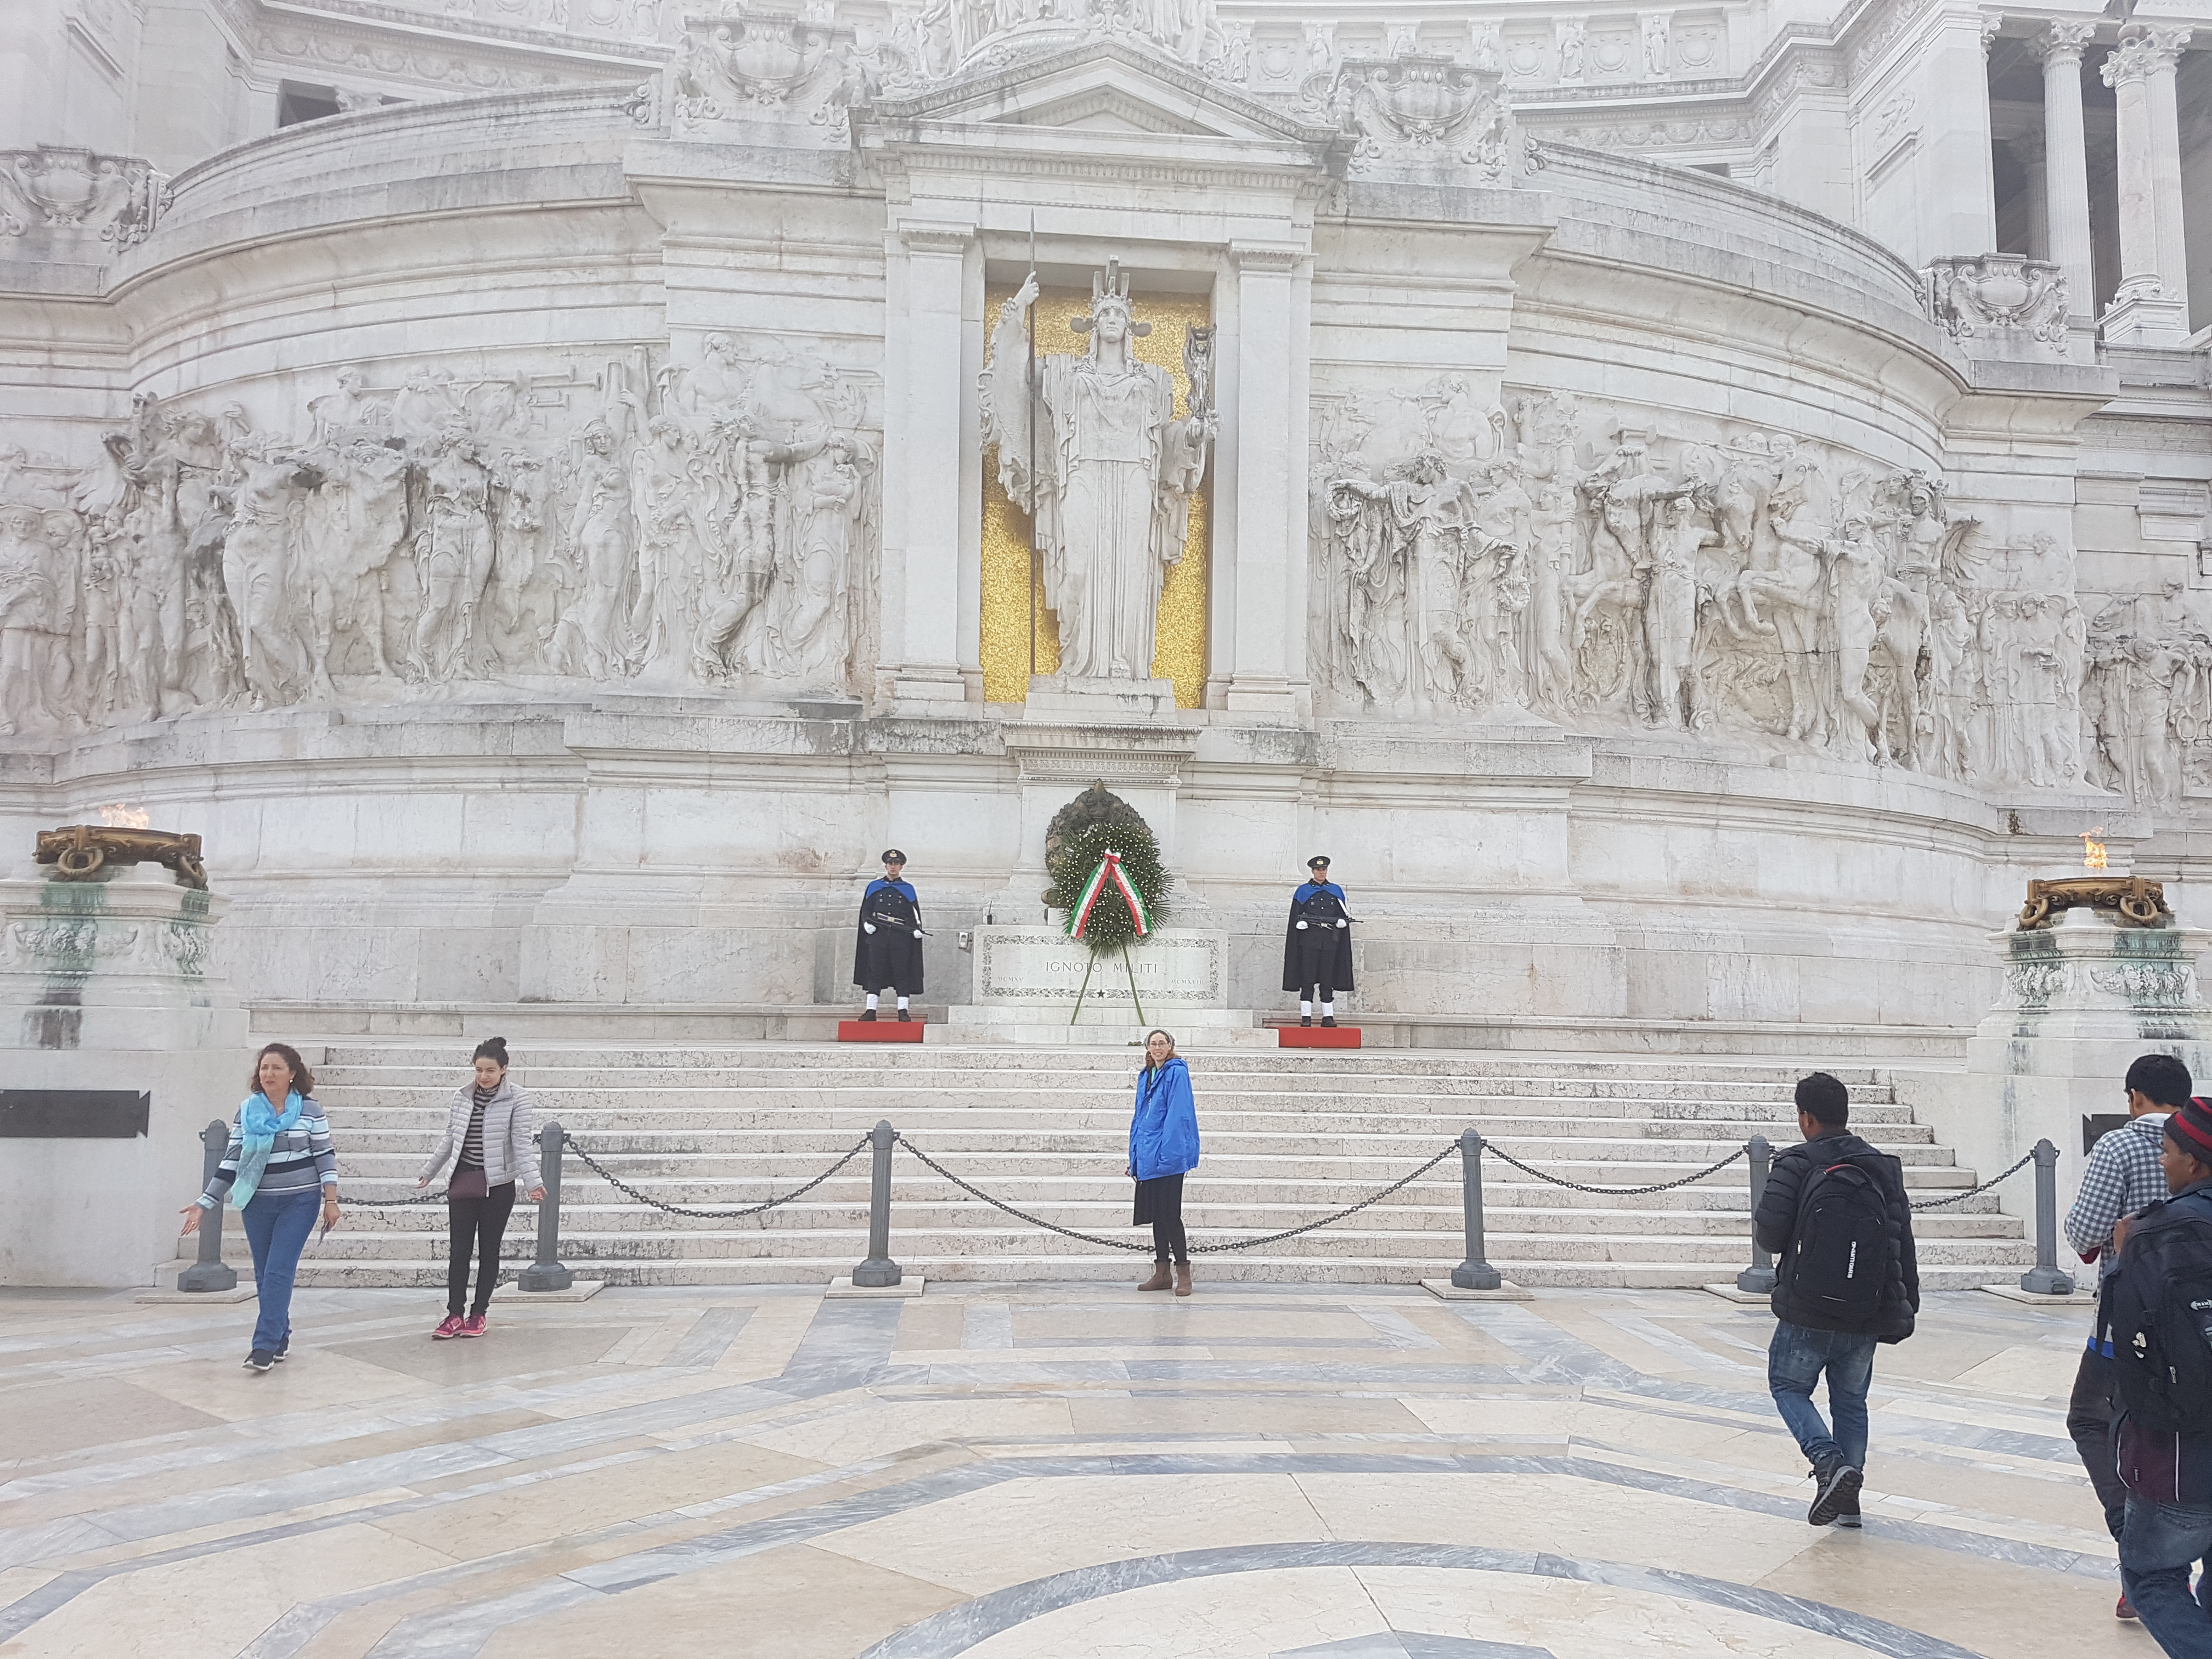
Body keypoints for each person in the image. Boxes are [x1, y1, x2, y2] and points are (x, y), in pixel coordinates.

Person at [1753, 1071, 1920, 1528]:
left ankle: (1827, 1462)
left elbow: (1769, 1236)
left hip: (1807, 1308)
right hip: (1866, 1308)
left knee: (1788, 1386)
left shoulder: (1795, 1163)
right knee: (1850, 1402)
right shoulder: (1882, 1167)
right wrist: (1906, 1304)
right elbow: (1902, 1241)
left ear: (1806, 1118)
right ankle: (1849, 1504)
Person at [2066, 1051, 2187, 1618]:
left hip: (2127, 1323)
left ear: (2135, 1096)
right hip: (2198, 1324)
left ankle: (2135, 1550)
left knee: (2093, 1422)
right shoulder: (2201, 1144)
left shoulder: (2118, 1146)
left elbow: (2084, 1232)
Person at [2111, 1096, 2212, 1656]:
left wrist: (2125, 1258)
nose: (2163, 1161)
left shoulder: (2154, 1234)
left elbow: (2125, 1351)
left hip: (2181, 1455)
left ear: (2193, 1163)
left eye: (2169, 1152)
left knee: (2150, 1576)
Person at [178, 1042, 340, 1372]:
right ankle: (280, 1335)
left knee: (279, 1270)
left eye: (277, 1068)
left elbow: (324, 1155)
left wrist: (331, 1200)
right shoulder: (248, 1110)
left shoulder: (310, 1110)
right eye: (264, 1068)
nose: (269, 1074)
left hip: (299, 1200)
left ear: (292, 1074)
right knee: (266, 1274)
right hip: (257, 1201)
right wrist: (205, 1202)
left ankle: (263, 1346)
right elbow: (232, 1160)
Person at [416, 1036, 545, 1339]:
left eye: (490, 1070)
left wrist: (533, 1182)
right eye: (478, 1070)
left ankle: (479, 1313)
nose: (484, 1076)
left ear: (503, 1070)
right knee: (459, 1251)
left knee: (489, 1250)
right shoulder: (462, 1097)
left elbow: (522, 1144)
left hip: (497, 1186)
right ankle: (454, 1314)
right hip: (463, 1181)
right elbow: (450, 1138)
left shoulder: (518, 1098)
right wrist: (429, 1172)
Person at [1129, 1029, 1201, 1297]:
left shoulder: (1176, 1072)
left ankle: (1184, 1273)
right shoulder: (1147, 1074)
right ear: (1148, 1048)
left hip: (1168, 1154)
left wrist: (1167, 1155)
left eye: (1162, 1043)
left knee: (1170, 1214)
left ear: (1170, 1046)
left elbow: (1178, 1115)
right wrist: (1136, 1156)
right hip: (1148, 1154)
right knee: (1157, 1216)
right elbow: (1140, 1118)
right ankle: (1162, 1273)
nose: (1157, 1048)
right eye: (1153, 1044)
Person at [1282, 855, 1355, 1027]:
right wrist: (1299, 923)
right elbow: (1296, 915)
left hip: (1330, 941)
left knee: (1327, 978)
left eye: (1324, 869)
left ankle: (1328, 1016)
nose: (1322, 872)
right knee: (1307, 978)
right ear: (1313, 871)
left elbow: (1342, 913)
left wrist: (1342, 921)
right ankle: (1306, 1016)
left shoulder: (1335, 891)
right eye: (1318, 870)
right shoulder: (1303, 891)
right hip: (1309, 941)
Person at [853, 849, 924, 1021]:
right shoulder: (875, 887)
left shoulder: (907, 889)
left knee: (902, 971)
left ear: (901, 867)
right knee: (875, 971)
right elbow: (866, 909)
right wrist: (866, 924)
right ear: (886, 866)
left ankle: (903, 1010)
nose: (893, 867)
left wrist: (917, 928)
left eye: (897, 864)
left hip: (900, 937)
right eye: (890, 864)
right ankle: (871, 1010)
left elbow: (913, 913)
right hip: (878, 935)